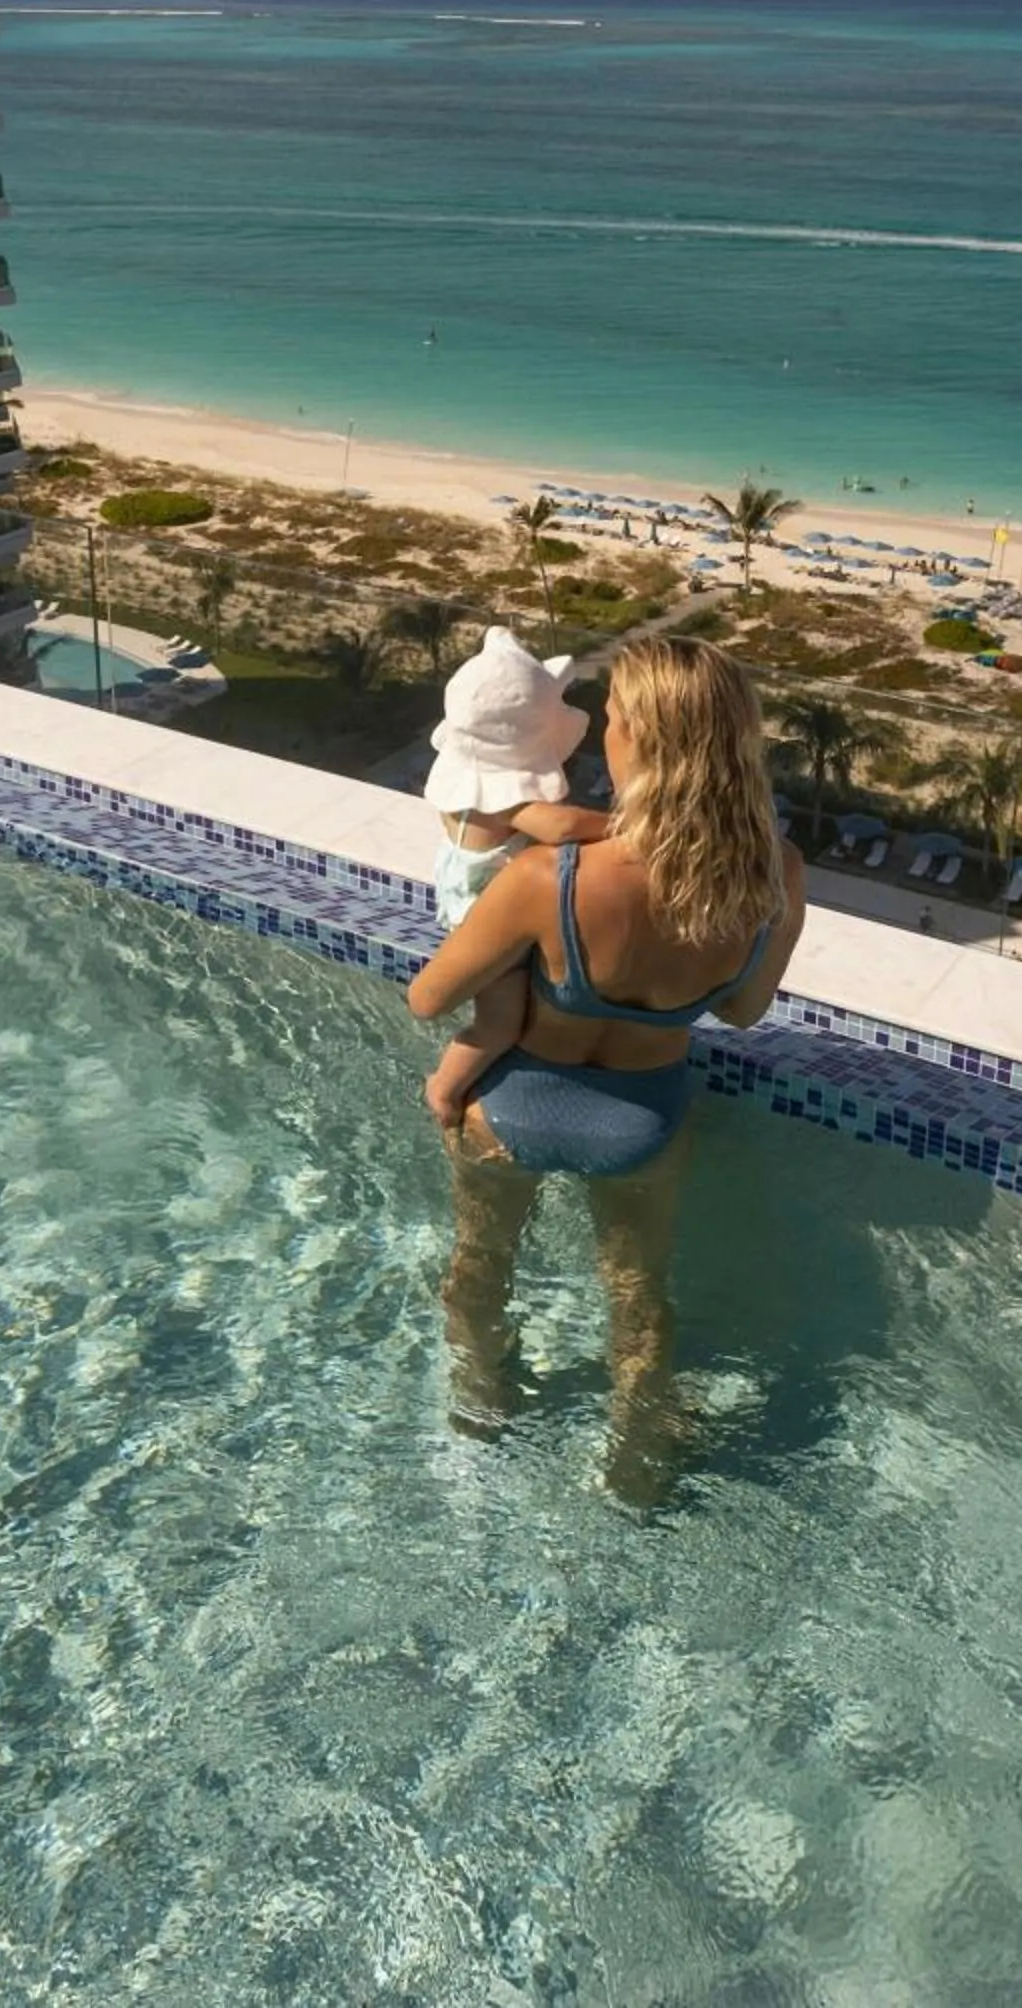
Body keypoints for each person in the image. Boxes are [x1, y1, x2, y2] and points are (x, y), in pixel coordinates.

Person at [407, 634, 805, 1480]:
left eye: (615, 717)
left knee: (480, 1266)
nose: (603, 733)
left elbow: (431, 996)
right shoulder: (773, 875)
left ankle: (482, 1406)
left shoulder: (552, 875)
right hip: (642, 1119)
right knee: (637, 1296)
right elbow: (740, 1009)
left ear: (642, 744)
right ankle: (639, 1453)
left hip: (507, 1109)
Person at [420, 628, 610, 1130]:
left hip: (470, 900)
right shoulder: (508, 802)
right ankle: (444, 1088)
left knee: (516, 1007)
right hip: (486, 919)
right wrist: (626, 828)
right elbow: (563, 825)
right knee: (499, 1024)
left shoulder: (467, 784)